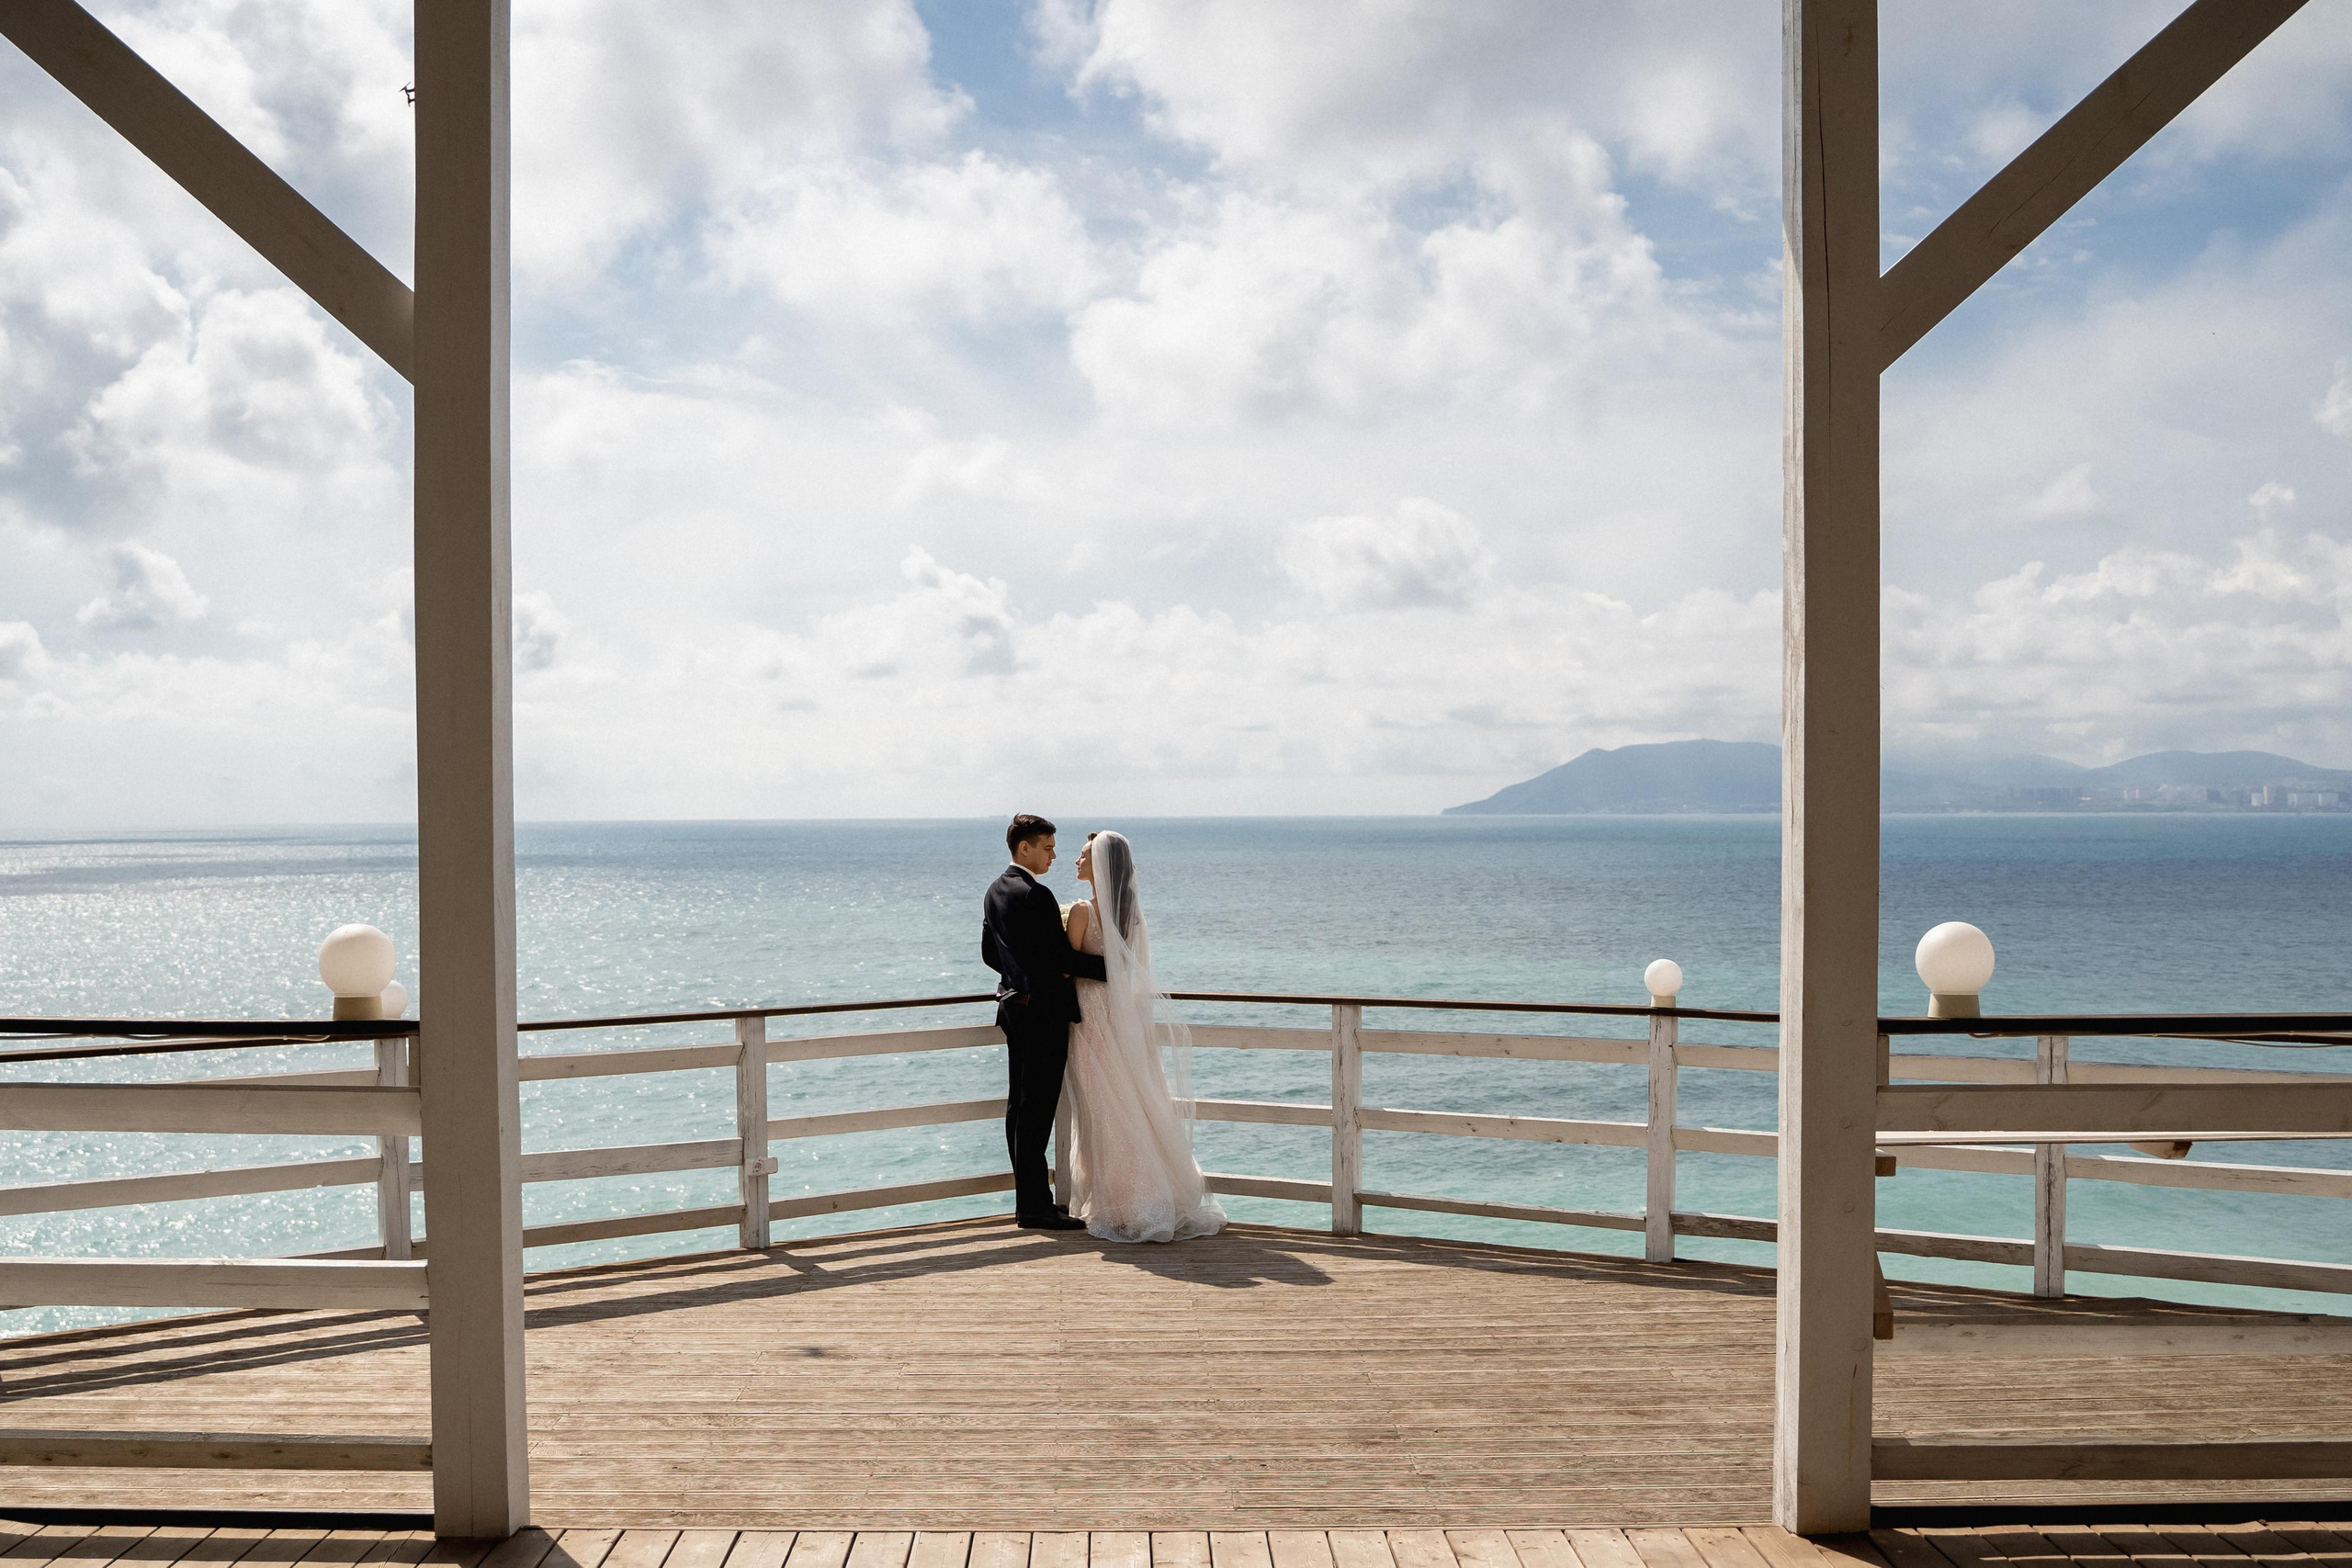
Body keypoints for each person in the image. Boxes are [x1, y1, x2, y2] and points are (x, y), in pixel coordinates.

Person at [1061, 829, 1226, 1244]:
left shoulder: (1083, 911)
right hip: (1120, 1017)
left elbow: (1065, 970)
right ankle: (1145, 1193)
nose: (1076, 862)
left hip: (1090, 1020)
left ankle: (1122, 1200)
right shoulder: (1130, 914)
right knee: (1129, 1101)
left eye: (1083, 857)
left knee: (1101, 1107)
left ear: (1100, 865)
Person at [980, 814, 1099, 1231]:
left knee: (1019, 1108)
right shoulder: (1037, 895)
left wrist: (1018, 974)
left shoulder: (994, 890)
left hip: (1013, 1008)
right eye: (1047, 847)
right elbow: (1062, 960)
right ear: (1024, 848)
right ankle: (1034, 1209)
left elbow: (989, 954)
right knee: (1037, 1111)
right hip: (1042, 1013)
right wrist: (1115, 968)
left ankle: (1029, 1203)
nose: (1053, 855)